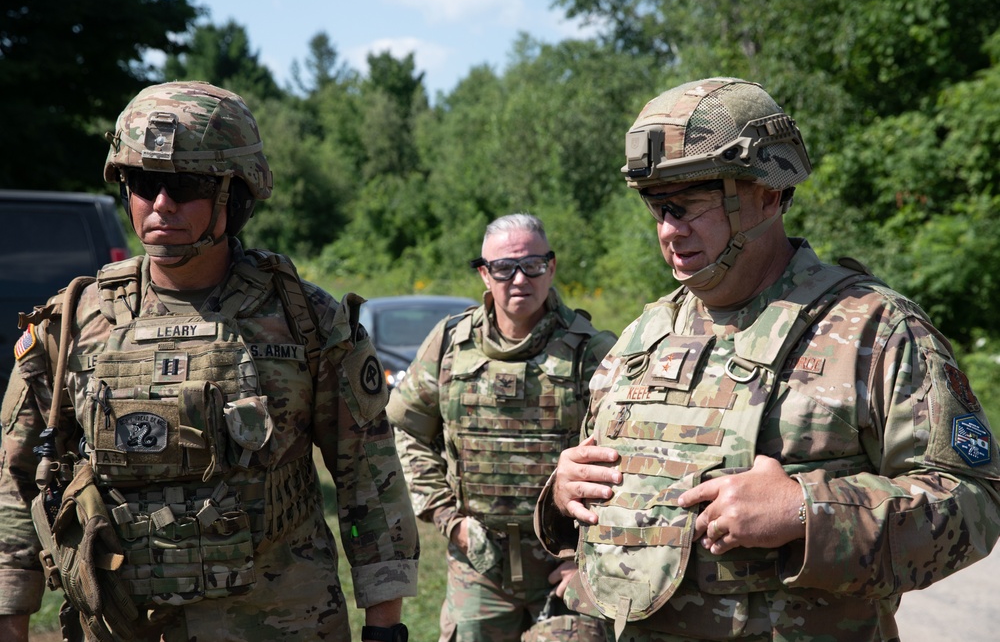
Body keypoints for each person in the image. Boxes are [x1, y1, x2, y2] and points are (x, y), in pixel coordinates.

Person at [533, 77, 1000, 642]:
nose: (668, 230)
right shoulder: (644, 334)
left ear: (768, 193)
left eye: (691, 203)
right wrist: (562, 493)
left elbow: (975, 504)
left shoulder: (874, 330)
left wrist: (807, 513)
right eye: (658, 206)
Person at [0, 80, 418, 642]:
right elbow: (16, 476)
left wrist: (385, 625)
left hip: (282, 620)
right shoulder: (73, 320)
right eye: (144, 183)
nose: (161, 204)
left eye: (187, 185)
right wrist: (11, 617)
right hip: (124, 621)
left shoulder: (308, 320)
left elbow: (367, 472)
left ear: (236, 195)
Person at [387, 214, 617, 642]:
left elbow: (632, 460)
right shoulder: (449, 344)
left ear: (551, 267)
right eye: (503, 268)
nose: (519, 279)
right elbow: (406, 430)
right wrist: (446, 517)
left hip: (566, 566)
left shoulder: (593, 351)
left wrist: (593, 558)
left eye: (532, 265)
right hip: (478, 566)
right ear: (484, 273)